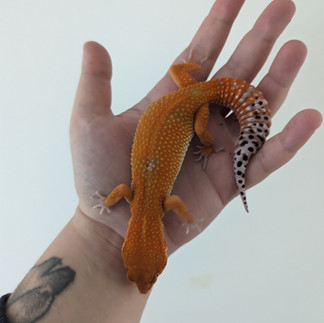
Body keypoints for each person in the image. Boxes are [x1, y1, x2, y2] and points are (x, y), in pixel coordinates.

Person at [1, 0, 322, 322]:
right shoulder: (129, 197)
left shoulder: (165, 204)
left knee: (202, 132)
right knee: (192, 104)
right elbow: (117, 193)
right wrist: (102, 205)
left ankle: (208, 142)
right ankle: (183, 78)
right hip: (184, 94)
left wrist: (205, 153)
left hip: (191, 105)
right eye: (147, 277)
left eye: (142, 276)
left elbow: (178, 204)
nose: (142, 284)